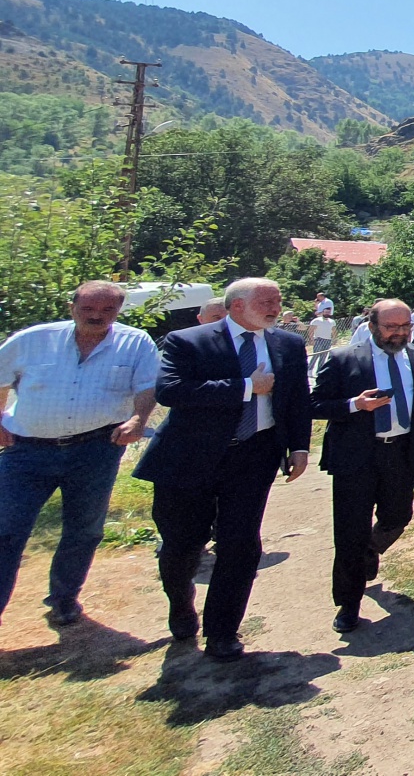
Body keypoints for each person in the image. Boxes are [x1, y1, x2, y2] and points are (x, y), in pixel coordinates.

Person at [137, 277, 312, 661]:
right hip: (189, 459)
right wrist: (245, 387)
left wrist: (299, 446)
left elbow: (297, 397)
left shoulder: (288, 343)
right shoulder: (189, 340)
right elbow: (172, 391)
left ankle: (223, 632)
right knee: (183, 545)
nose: (275, 307)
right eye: (267, 301)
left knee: (241, 544)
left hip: (254, 456)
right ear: (237, 306)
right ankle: (181, 604)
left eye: (278, 300)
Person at [0, 281, 159, 627]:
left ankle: (64, 598)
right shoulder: (33, 340)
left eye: (107, 310)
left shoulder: (135, 343)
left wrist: (137, 419)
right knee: (6, 530)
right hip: (26, 451)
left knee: (84, 529)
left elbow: (147, 386)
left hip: (96, 449)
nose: (96, 316)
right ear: (72, 307)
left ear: (118, 311)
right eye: (87, 309)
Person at [311, 299, 414, 633]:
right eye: (392, 327)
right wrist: (354, 405)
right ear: (373, 326)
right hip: (356, 456)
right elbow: (313, 405)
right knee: (349, 531)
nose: (400, 333)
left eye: (406, 326)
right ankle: (349, 604)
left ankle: (369, 549)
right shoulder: (344, 359)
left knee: (398, 516)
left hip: (401, 454)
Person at [308, 305, 336, 373]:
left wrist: (334, 339)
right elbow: (311, 330)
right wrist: (311, 339)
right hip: (318, 339)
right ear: (323, 312)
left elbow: (334, 330)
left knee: (324, 356)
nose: (327, 314)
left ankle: (319, 371)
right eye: (326, 312)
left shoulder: (332, 321)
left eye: (328, 312)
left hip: (328, 340)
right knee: (315, 355)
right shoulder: (316, 320)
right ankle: (310, 370)